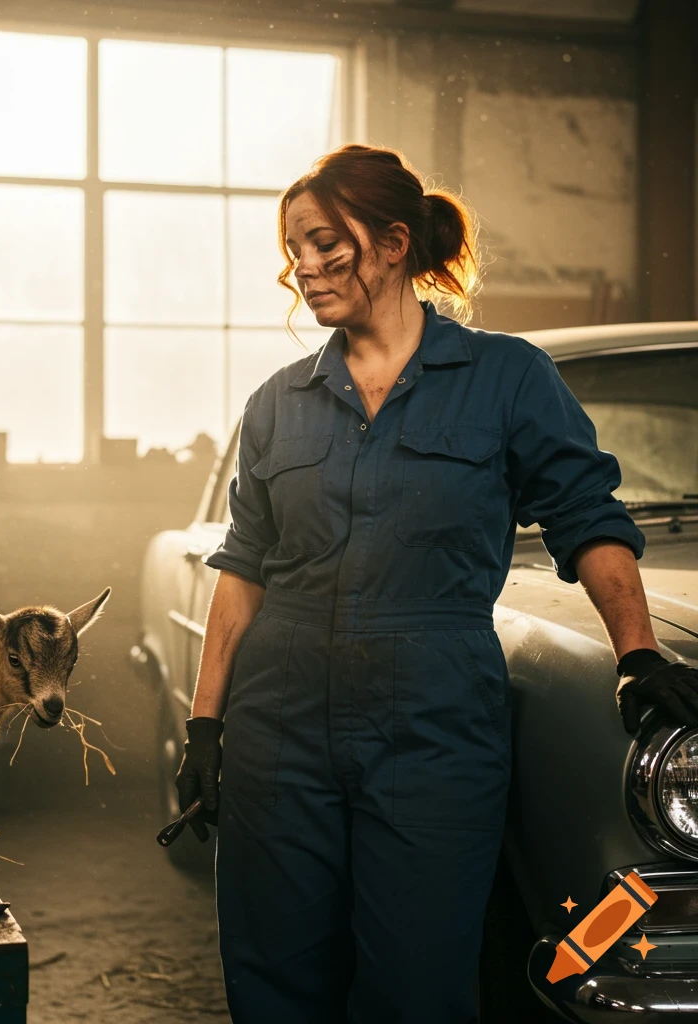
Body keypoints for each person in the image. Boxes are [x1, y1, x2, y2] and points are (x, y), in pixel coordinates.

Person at [174, 142, 698, 1024]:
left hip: (433, 728)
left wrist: (638, 656)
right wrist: (204, 725)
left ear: (391, 242)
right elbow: (244, 568)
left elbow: (587, 518)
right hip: (280, 728)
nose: (304, 268)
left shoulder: (508, 380)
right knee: (275, 980)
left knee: (418, 987)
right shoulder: (277, 403)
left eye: (324, 243)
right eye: (293, 250)